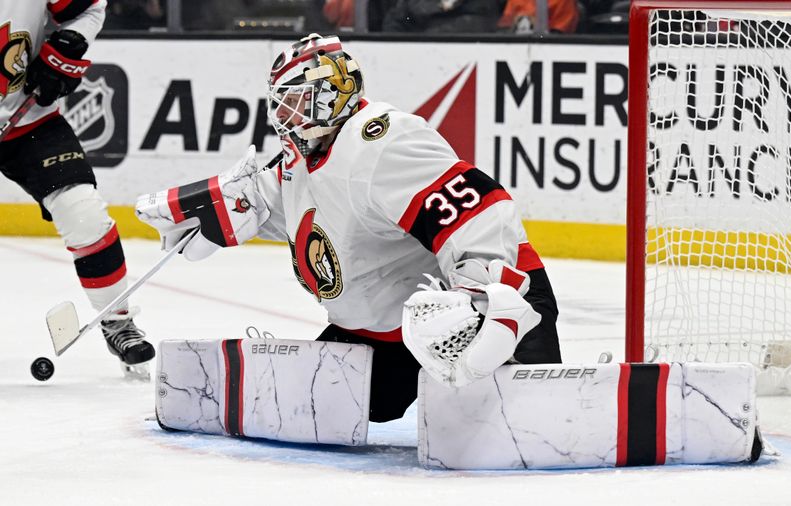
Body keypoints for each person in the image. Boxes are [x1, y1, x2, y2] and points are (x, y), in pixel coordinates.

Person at [137, 34, 561, 421]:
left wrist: (483, 299)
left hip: (494, 306)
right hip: (384, 331)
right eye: (281, 102)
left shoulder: (383, 142)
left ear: (331, 95)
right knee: (336, 410)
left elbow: (477, 209)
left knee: (518, 424)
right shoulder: (300, 157)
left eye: (296, 100)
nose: (283, 114)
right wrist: (218, 207)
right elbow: (266, 199)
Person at [1, 1, 155, 372]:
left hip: (29, 123)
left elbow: (88, 8)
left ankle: (117, 320)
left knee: (83, 212)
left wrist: (67, 45)